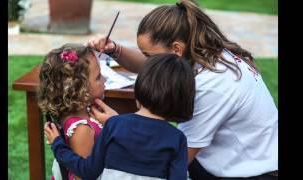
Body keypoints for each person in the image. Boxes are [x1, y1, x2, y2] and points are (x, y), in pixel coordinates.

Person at [85, 0, 278, 179]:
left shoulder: (211, 87)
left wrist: (118, 124)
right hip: (237, 161)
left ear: (177, 49)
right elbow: (154, 65)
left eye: (149, 55)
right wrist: (115, 50)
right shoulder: (207, 55)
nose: (149, 65)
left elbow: (169, 160)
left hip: (252, 173)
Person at [44, 53, 196, 180]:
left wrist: (58, 144)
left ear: (140, 86)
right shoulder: (177, 139)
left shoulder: (114, 125)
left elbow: (87, 172)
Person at [37, 43, 106, 180]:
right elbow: (82, 175)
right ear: (80, 91)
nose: (104, 79)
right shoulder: (82, 130)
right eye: (98, 77)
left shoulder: (79, 113)